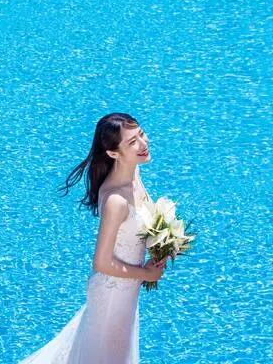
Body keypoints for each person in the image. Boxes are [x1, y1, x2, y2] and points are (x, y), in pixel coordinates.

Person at [18, 112, 167, 364]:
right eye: (132, 142)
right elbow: (101, 262)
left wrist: (162, 245)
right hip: (112, 296)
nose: (143, 144)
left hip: (126, 292)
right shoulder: (115, 201)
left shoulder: (133, 175)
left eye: (141, 134)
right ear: (113, 153)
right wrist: (146, 274)